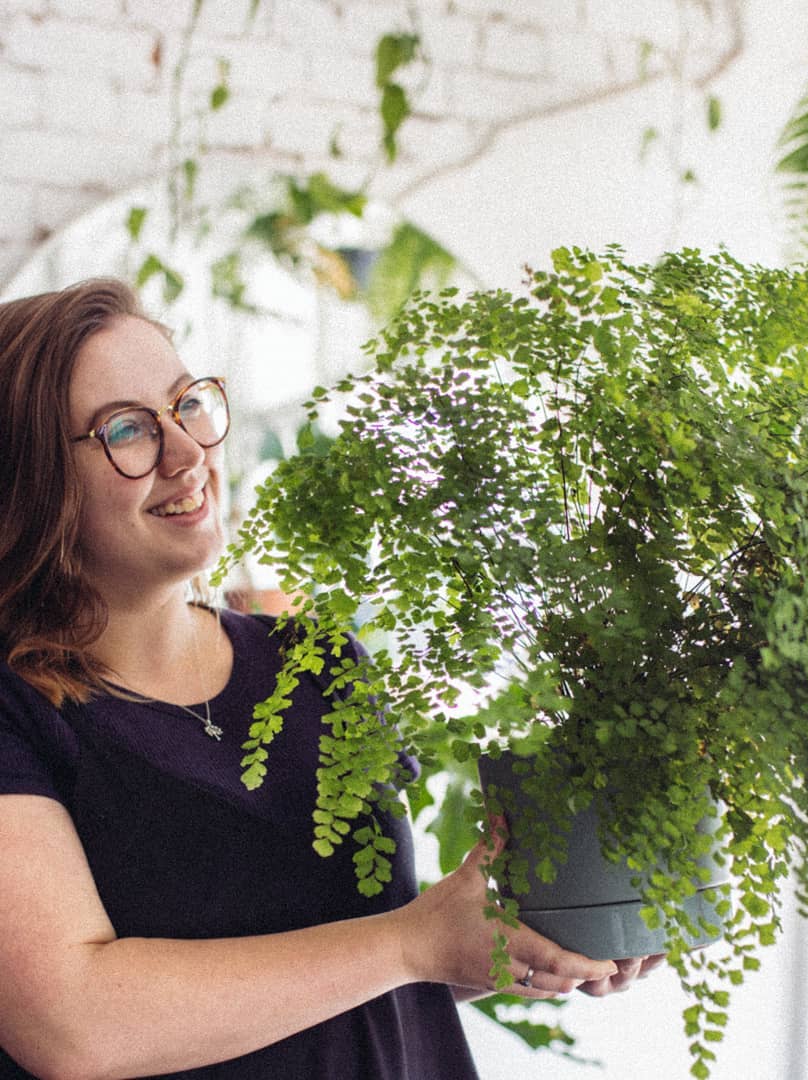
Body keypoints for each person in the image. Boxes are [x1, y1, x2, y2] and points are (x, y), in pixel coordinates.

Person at [0, 278, 663, 1079]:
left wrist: (506, 945)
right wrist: (411, 942)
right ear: (29, 476)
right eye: (128, 429)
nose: (187, 454)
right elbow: (72, 1025)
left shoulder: (316, 665)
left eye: (188, 406)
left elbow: (356, 964)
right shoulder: (18, 711)